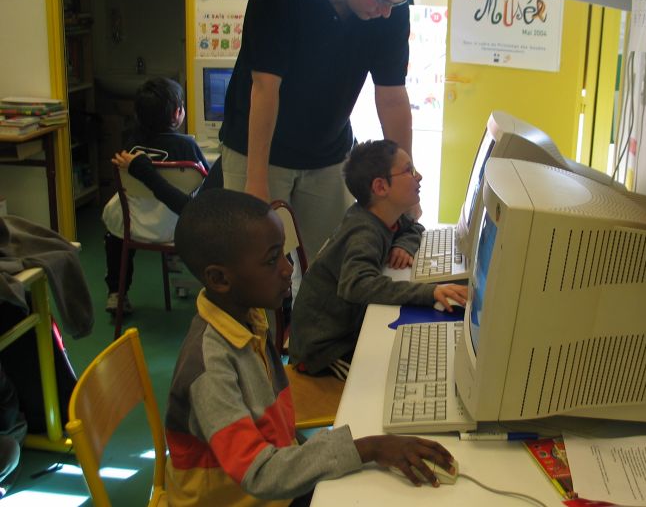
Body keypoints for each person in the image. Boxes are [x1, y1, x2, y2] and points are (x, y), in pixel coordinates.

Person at [165, 188, 455, 506]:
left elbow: (275, 438)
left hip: (273, 480)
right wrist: (369, 447)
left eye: (283, 255)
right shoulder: (208, 369)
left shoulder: (246, 318)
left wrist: (345, 451)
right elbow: (259, 473)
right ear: (220, 279)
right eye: (271, 260)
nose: (287, 269)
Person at [220, 0, 425, 261]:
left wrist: (406, 180)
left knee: (330, 262)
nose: (386, 12)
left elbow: (391, 98)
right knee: (258, 263)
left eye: (396, 2)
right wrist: (256, 182)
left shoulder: (391, 9)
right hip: (258, 148)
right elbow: (266, 87)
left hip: (329, 152)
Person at [289, 140, 468, 380]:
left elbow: (413, 227)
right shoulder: (363, 232)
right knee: (391, 375)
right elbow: (357, 285)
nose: (419, 176)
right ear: (381, 187)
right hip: (325, 349)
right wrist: (430, 292)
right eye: (409, 170)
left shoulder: (382, 214)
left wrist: (403, 245)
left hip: (350, 328)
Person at [101, 77, 209, 314]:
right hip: (174, 228)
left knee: (114, 230)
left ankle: (117, 292)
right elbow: (206, 182)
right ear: (177, 113)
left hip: (133, 226)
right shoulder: (187, 146)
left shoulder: (131, 145)